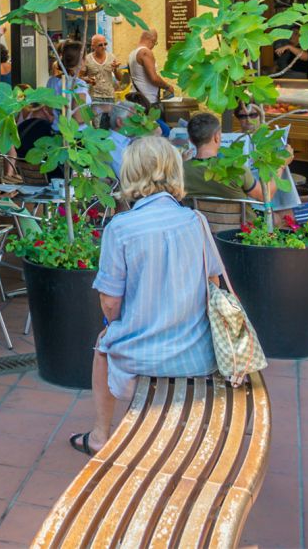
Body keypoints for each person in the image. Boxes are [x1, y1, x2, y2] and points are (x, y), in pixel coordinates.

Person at [69, 136, 224, 456]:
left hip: (142, 357)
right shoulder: (196, 220)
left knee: (103, 345)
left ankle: (100, 435)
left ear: (130, 172)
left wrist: (115, 323)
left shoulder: (121, 227)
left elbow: (110, 302)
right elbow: (214, 283)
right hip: (197, 354)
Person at [183, 112, 277, 202]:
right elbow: (264, 196)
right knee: (278, 216)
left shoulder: (180, 170)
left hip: (199, 218)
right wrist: (281, 166)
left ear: (190, 140)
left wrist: (181, 163)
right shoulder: (236, 168)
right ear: (217, 137)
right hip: (242, 218)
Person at [48, 41, 92, 124]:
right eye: (84, 57)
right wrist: (97, 110)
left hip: (56, 129)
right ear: (81, 61)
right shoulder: (79, 84)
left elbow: (49, 111)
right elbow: (78, 118)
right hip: (75, 134)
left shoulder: (52, 81)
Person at [127, 30, 171, 105]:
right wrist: (167, 86)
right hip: (147, 101)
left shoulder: (132, 53)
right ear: (153, 39)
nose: (154, 46)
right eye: (155, 43)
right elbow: (154, 78)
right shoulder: (145, 52)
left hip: (137, 98)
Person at [81, 34, 118, 112]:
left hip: (109, 95)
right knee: (97, 122)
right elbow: (80, 77)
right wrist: (87, 79)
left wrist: (116, 69)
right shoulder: (87, 59)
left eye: (105, 44)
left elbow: (120, 78)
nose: (104, 47)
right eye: (100, 45)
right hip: (94, 96)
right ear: (93, 46)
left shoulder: (112, 57)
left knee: (109, 122)